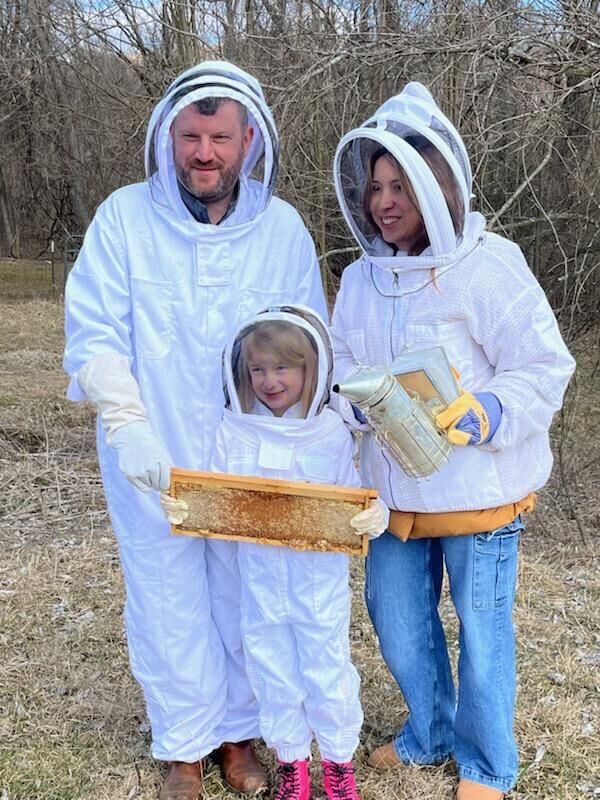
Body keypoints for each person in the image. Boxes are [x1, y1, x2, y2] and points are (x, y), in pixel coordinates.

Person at [63, 62, 328, 800]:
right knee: (165, 593)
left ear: (248, 141)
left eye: (220, 138)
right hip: (154, 449)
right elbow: (94, 333)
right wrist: (127, 422)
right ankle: (184, 744)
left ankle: (239, 733)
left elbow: (308, 341)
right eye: (190, 137)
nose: (204, 153)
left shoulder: (282, 229)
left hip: (250, 449)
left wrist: (307, 443)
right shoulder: (123, 218)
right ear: (167, 138)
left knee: (246, 593)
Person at [330, 83, 575, 800]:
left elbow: (544, 364)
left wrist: (490, 410)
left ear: (438, 188)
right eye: (376, 186)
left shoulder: (490, 265)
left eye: (400, 186)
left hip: (478, 496)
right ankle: (431, 730)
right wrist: (354, 406)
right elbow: (341, 362)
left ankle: (487, 763)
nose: (384, 202)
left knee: (483, 631)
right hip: (394, 497)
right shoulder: (361, 279)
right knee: (398, 623)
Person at [162, 305, 388, 800]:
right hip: (259, 582)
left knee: (326, 670)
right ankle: (292, 765)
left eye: (282, 367)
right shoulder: (233, 430)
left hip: (318, 585)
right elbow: (218, 497)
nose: (269, 380)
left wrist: (375, 515)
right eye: (258, 369)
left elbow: (357, 494)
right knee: (272, 670)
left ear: (311, 370)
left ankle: (338, 765)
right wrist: (187, 504)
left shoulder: (329, 432)